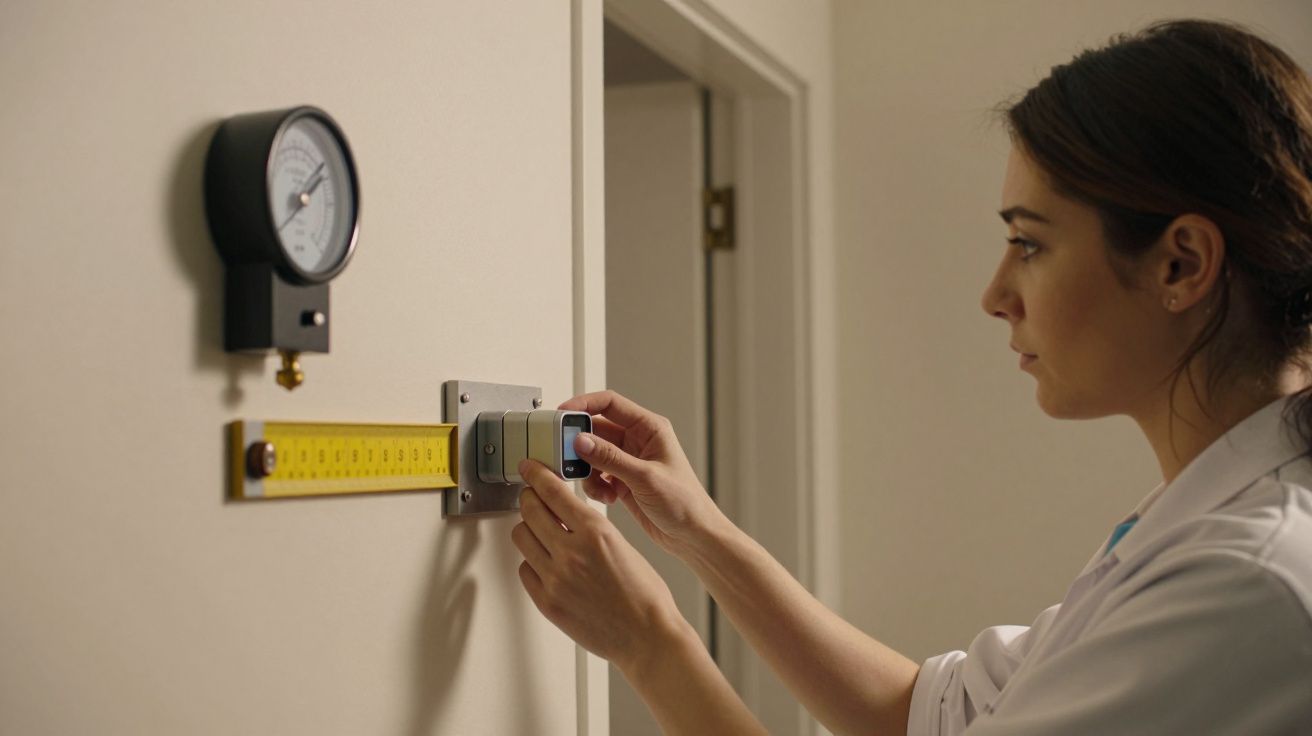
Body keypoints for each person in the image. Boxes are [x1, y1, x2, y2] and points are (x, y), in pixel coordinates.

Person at [510, 19, 1312, 735]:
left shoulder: (1245, 585)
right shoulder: (1196, 522)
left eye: (1029, 244)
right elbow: (928, 714)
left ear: (1182, 263)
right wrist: (700, 534)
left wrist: (650, 643)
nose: (996, 296)